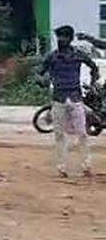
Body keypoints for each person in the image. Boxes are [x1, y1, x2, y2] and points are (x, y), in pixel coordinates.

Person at [43, 26, 100, 177]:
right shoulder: (52, 57)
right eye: (59, 37)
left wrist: (93, 82)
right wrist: (45, 79)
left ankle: (86, 165)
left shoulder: (78, 55)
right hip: (59, 97)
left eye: (64, 37)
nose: (61, 40)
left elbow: (94, 67)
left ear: (70, 38)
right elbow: (40, 72)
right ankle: (62, 167)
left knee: (82, 132)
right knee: (59, 134)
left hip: (75, 96)